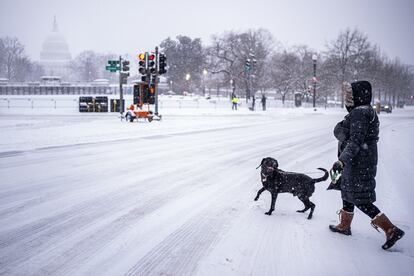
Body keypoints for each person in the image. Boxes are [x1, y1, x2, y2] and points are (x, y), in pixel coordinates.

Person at [329, 80, 404, 250]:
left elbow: (355, 141)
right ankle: (345, 225)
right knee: (347, 191)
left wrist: (342, 160)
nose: (348, 99)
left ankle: (391, 229)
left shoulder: (360, 113)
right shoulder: (363, 111)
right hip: (359, 159)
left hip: (357, 161)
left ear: (358, 96)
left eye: (351, 95)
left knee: (360, 198)